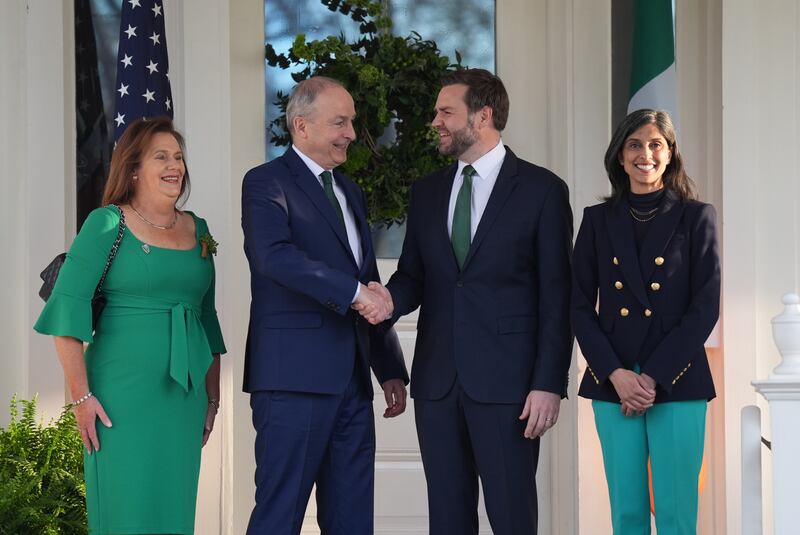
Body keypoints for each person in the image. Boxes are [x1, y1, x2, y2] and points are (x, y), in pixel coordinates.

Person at [358, 68, 574, 535]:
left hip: (510, 387)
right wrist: (388, 298)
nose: (435, 121)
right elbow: (414, 276)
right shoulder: (427, 192)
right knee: (448, 520)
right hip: (437, 385)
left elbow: (558, 296)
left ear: (482, 116)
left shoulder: (542, 190)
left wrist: (548, 383)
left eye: (445, 112)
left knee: (512, 518)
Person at [34, 117, 227, 534]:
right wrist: (81, 398)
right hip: (119, 398)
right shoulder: (107, 224)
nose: (175, 166)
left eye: (178, 157)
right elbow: (66, 317)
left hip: (183, 399)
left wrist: (212, 398)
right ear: (134, 168)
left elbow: (207, 319)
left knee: (173, 511)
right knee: (125, 510)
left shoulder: (199, 229)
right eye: (161, 157)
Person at [241, 76, 409, 535]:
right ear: (301, 125)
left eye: (351, 122)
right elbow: (273, 257)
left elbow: (368, 279)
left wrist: (388, 366)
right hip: (292, 382)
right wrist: (355, 293)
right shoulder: (265, 182)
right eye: (340, 122)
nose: (351, 133)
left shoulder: (350, 191)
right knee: (279, 518)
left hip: (353, 385)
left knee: (352, 522)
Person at [572, 109, 720, 535]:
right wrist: (616, 374)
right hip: (613, 380)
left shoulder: (697, 217)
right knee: (627, 513)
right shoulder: (597, 220)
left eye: (656, 144)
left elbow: (705, 306)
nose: (645, 154)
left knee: (676, 514)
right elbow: (578, 305)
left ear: (670, 154)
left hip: (677, 379)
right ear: (620, 156)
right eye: (634, 145)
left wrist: (652, 377)